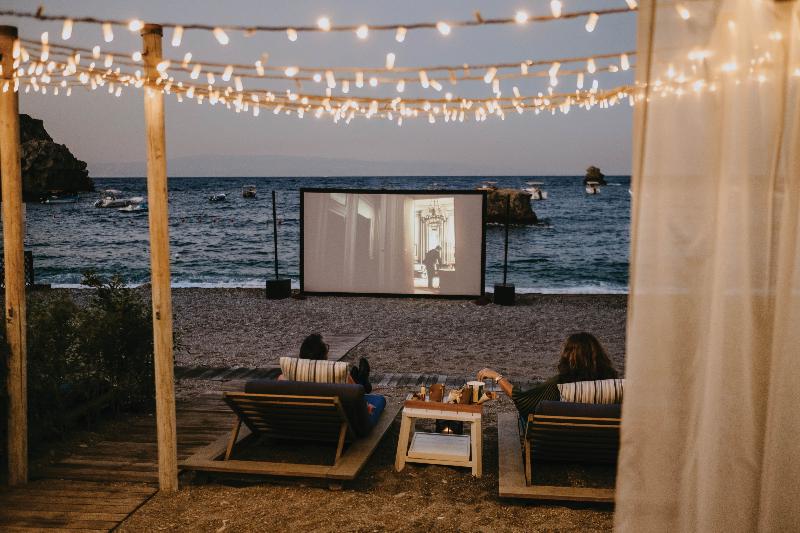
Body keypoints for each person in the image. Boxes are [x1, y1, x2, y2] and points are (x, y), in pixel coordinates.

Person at [476, 332, 618, 421]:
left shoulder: (560, 385)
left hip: (562, 444)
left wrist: (497, 376)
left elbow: (522, 398)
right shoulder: (614, 385)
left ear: (569, 357)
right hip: (601, 446)